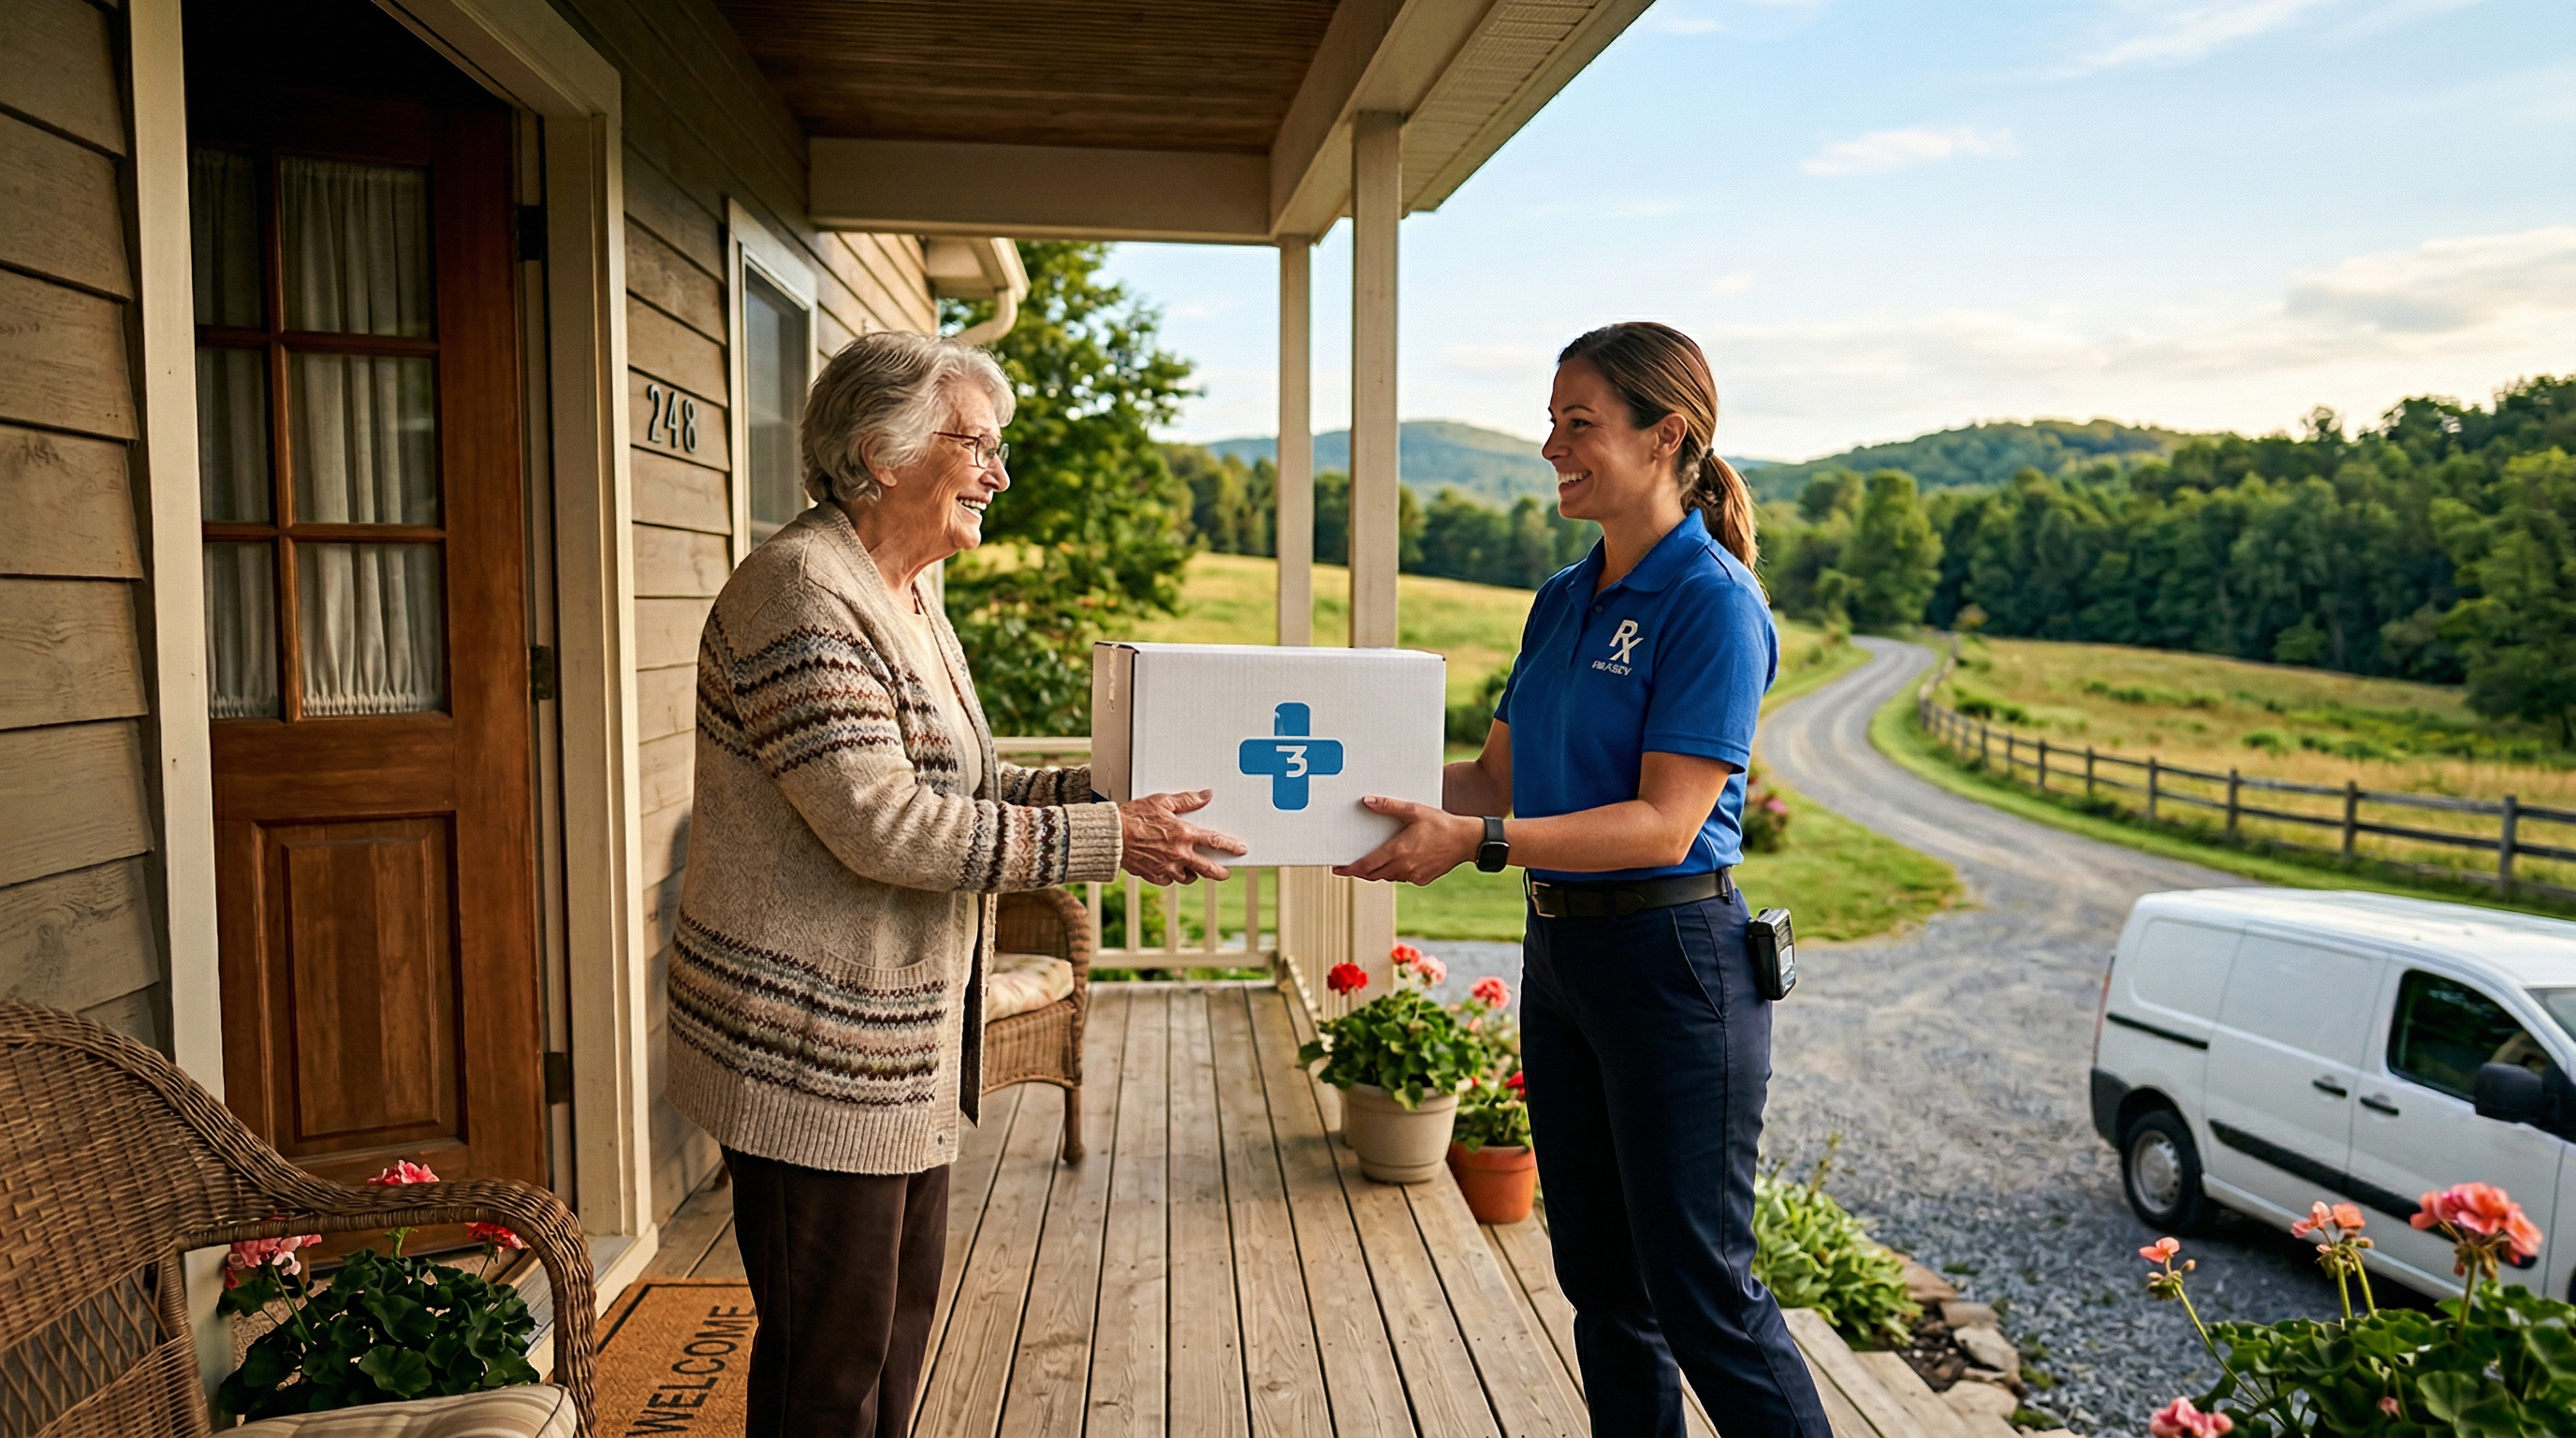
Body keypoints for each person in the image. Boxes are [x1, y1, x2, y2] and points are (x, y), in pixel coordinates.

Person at [664, 330, 1243, 1436]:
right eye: (978, 444)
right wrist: (1104, 838)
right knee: (825, 1372)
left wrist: (1114, 790)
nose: (999, 472)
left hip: (898, 1048)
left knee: (886, 1341)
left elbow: (971, 779)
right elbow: (886, 825)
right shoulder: (799, 593)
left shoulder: (908, 593)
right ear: (882, 454)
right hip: (809, 1051)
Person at [1337, 322, 1828, 1436]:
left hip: (1674, 964)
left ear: (1668, 437)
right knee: (1602, 1289)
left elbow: (1665, 825)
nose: (1550, 444)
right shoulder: (1564, 597)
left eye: (1578, 423)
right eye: (1550, 420)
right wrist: (1317, 792)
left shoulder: (1711, 600)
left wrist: (1481, 844)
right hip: (1563, 956)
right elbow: (1492, 775)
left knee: (1704, 1297)